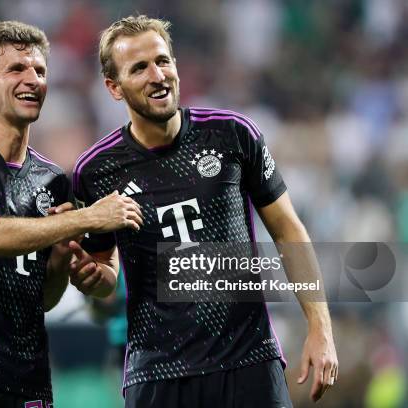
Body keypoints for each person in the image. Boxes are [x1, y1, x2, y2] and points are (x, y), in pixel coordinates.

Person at [70, 15, 338, 407]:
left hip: (248, 361)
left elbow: (288, 231)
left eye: (163, 60)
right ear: (114, 87)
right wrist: (91, 282)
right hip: (158, 372)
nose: (157, 75)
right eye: (139, 68)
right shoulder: (94, 170)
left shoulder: (232, 134)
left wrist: (320, 328)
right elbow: (103, 275)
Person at [0, 21, 143, 408]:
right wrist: (85, 219)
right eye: (17, 69)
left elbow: (45, 299)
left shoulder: (52, 181)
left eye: (39, 70)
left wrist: (59, 260)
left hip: (28, 376)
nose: (32, 79)